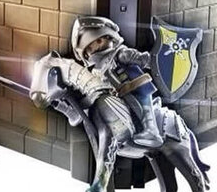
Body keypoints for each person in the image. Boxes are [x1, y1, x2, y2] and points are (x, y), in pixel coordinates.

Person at [69, 16, 164, 148]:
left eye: (90, 47)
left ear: (102, 39)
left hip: (136, 88)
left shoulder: (121, 54)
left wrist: (149, 59)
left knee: (143, 104)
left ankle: (152, 131)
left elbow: (146, 61)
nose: (90, 53)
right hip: (118, 95)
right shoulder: (97, 69)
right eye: (87, 51)